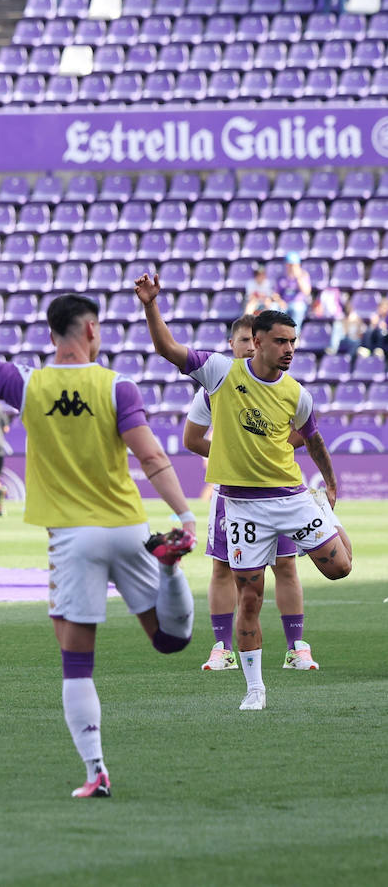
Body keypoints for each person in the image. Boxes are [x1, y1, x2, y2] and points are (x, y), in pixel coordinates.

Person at [0, 259, 199, 799]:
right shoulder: (118, 386)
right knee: (171, 641)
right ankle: (169, 574)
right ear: (93, 330)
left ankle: (96, 769)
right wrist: (185, 515)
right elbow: (151, 458)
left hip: (72, 540)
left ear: (53, 336)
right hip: (127, 527)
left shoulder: (26, 383)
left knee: (77, 662)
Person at [137, 273, 352, 712]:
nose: (289, 349)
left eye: (293, 341)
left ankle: (326, 521)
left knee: (341, 569)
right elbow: (167, 349)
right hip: (242, 509)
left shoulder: (297, 394)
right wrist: (150, 305)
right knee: (249, 597)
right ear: (256, 341)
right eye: (281, 341)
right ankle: (255, 689)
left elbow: (313, 440)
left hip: (291, 499)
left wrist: (328, 483)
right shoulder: (220, 373)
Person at [183, 314, 317, 674]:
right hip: (233, 496)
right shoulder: (216, 385)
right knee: (223, 567)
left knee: (286, 565)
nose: (247, 346)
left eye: (250, 340)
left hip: (278, 492)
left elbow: (306, 430)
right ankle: (223, 647)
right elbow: (192, 439)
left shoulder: (287, 388)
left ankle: (296, 647)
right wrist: (235, 457)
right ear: (235, 345)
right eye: (241, 340)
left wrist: (268, 455)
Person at [276, 253, 311, 328]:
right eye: (289, 265)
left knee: (297, 308)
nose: (291, 267)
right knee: (274, 308)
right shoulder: (282, 277)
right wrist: (280, 301)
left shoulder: (303, 275)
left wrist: (298, 277)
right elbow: (276, 294)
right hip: (284, 303)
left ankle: (294, 335)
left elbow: (306, 292)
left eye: (293, 265)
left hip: (298, 303)